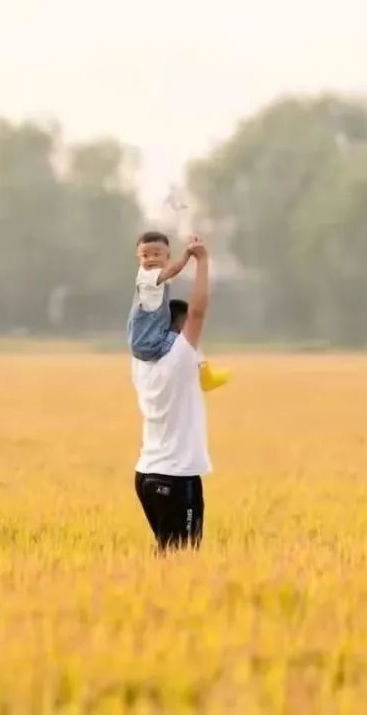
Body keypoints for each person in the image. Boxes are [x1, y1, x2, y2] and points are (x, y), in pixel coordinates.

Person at [132, 238, 214, 552]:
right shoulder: (179, 357)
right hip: (177, 477)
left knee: (165, 556)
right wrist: (202, 261)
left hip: (146, 475)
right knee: (185, 558)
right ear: (178, 330)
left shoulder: (139, 362)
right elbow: (198, 313)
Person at [128, 230, 229, 392]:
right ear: (138, 258)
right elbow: (174, 269)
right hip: (150, 344)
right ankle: (204, 375)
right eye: (145, 256)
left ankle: (202, 370)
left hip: (147, 341)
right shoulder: (147, 276)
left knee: (181, 316)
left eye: (156, 254)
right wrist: (188, 254)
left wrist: (191, 246)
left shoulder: (157, 276)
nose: (151, 259)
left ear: (167, 256)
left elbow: (173, 271)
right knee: (187, 337)